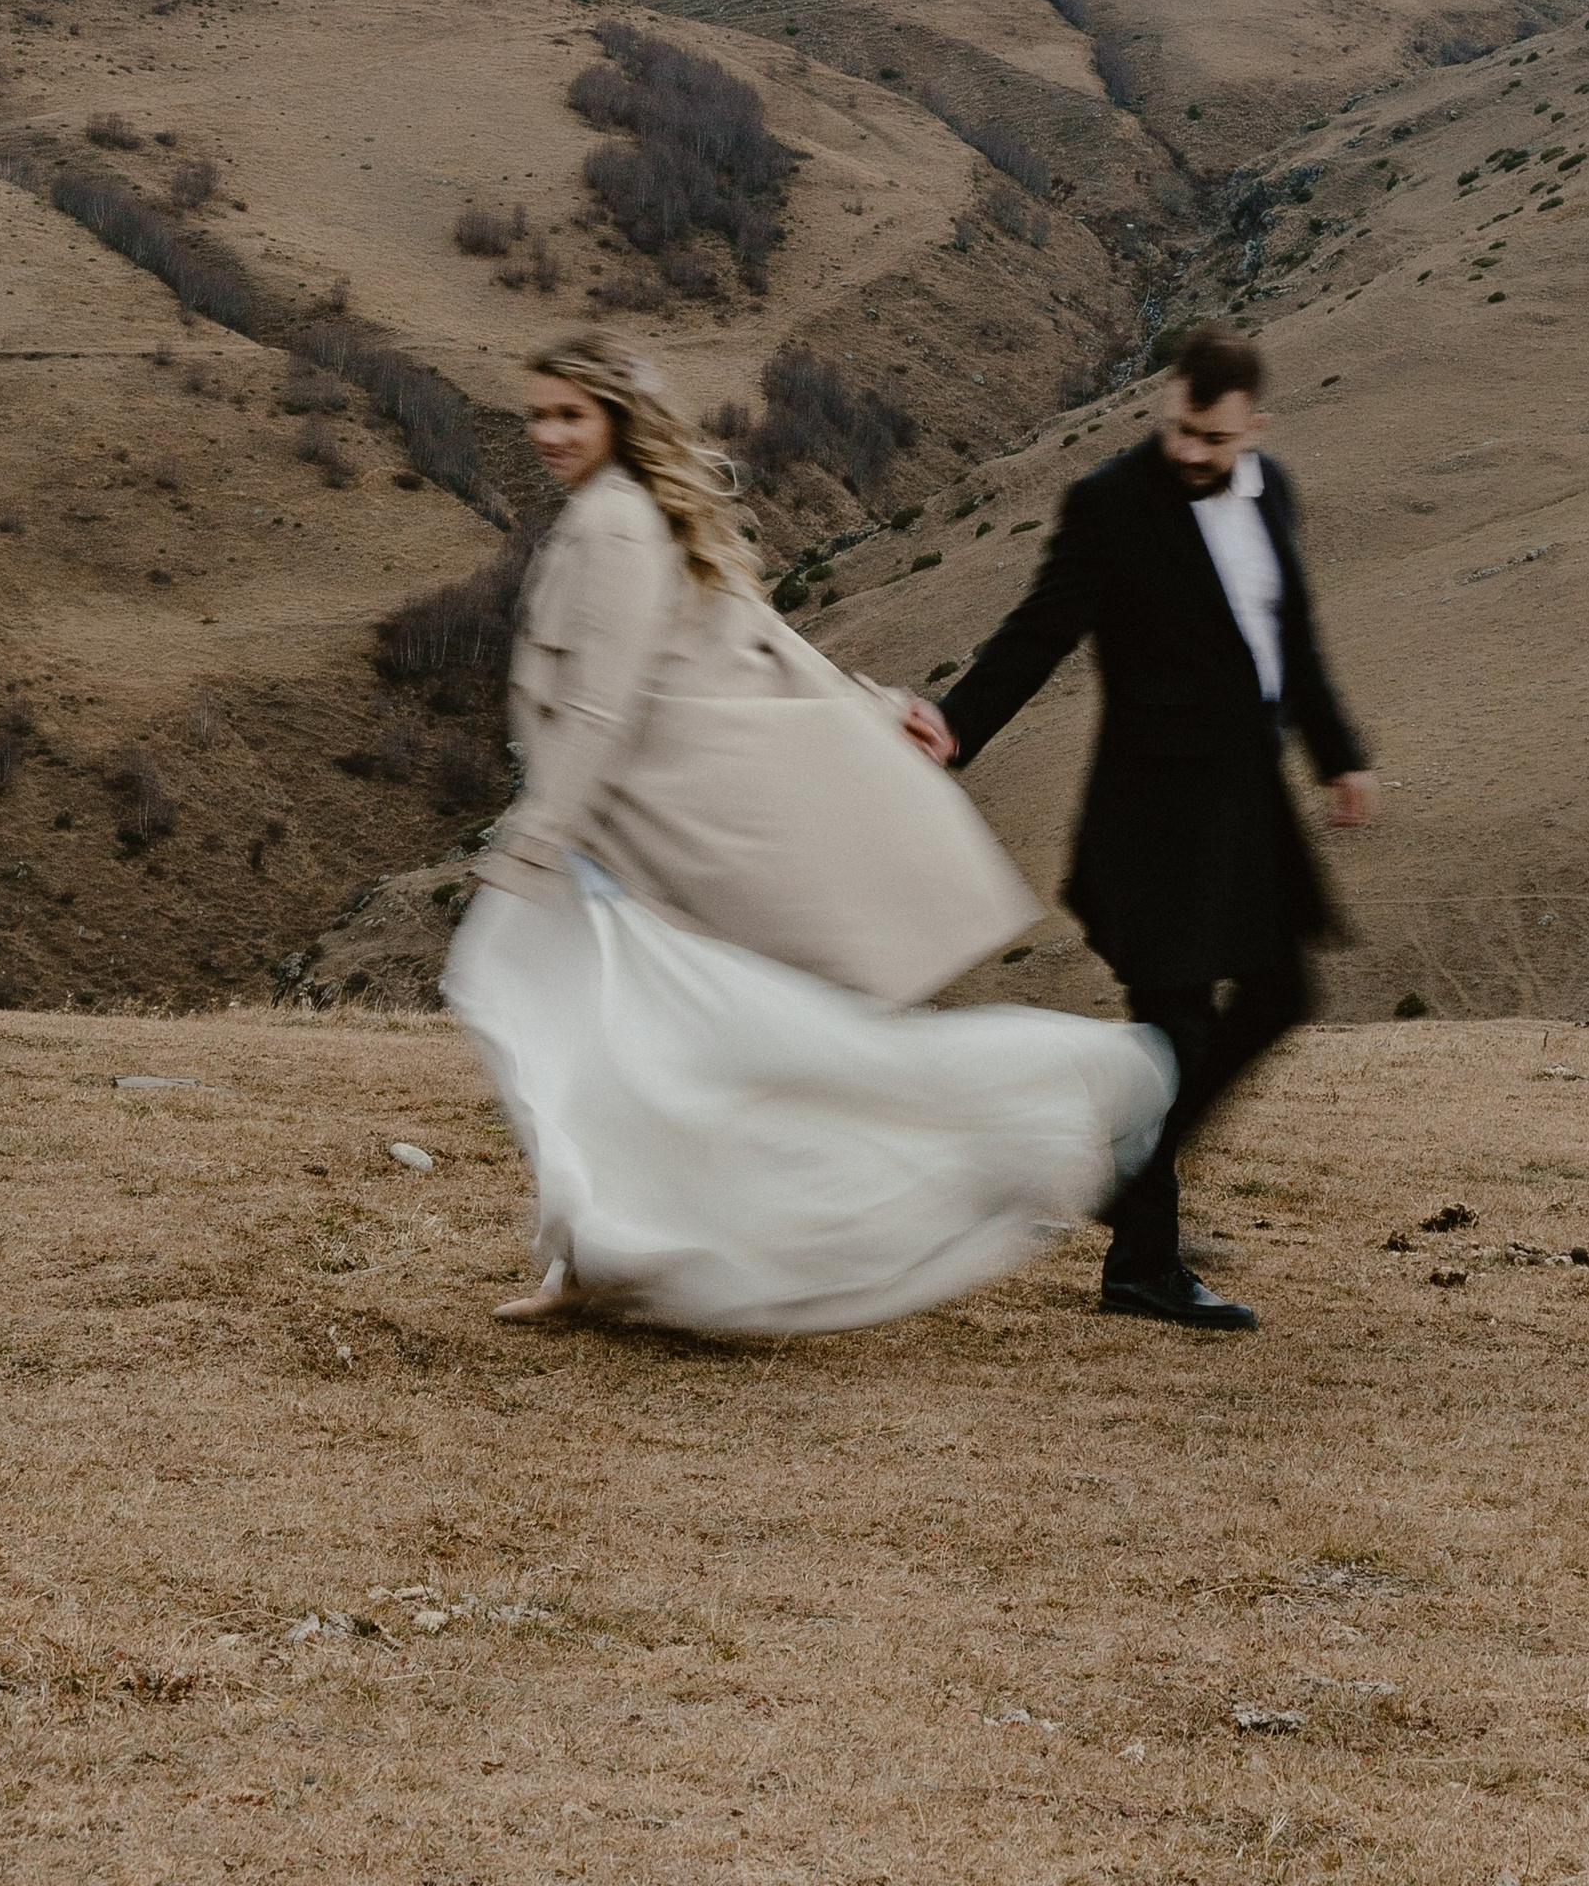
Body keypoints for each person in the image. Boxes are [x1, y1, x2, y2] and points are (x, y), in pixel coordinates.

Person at [443, 335, 1169, 1337]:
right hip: (609, 839)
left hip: (609, 838)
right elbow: (760, 641)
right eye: (539, 414)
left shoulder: (616, 524)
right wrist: (874, 705)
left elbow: (603, 708)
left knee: (542, 1016)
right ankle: (584, 1259)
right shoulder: (633, 510)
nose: (548, 433)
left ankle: (1057, 1089)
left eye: (571, 414)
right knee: (589, 1047)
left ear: (614, 419)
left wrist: (536, 837)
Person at [908, 325, 1375, 1332]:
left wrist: (1338, 754)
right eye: (1177, 430)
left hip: (1246, 801)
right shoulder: (1111, 502)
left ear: (1254, 427)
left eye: (1212, 438)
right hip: (1153, 814)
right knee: (1176, 1027)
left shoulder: (1273, 492)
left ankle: (1124, 1171)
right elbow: (1040, 628)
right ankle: (1142, 1267)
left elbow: (1289, 639)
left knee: (1281, 993)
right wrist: (956, 723)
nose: (1190, 452)